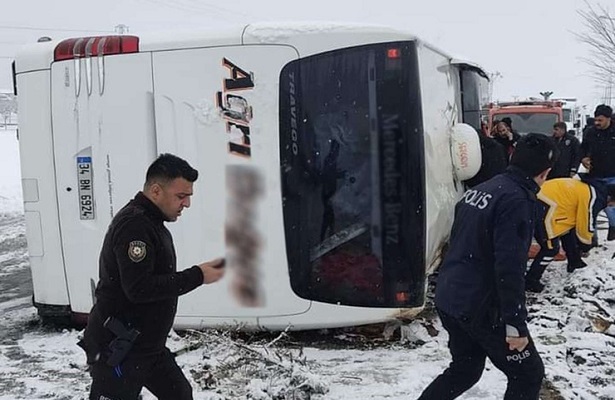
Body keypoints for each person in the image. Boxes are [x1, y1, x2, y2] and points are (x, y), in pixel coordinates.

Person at [418, 133, 557, 400]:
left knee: (466, 369)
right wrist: (515, 324)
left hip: (451, 297)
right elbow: (510, 267)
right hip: (479, 306)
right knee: (528, 374)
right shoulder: (517, 200)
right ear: (546, 172)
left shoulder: (486, 188)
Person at [78, 153, 226, 400]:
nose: (187, 203)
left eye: (189, 196)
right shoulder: (134, 226)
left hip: (146, 346)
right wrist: (198, 275)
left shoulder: (152, 223)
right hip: (119, 348)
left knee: (179, 394)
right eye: (181, 196)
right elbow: (139, 288)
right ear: (156, 191)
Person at [525, 178, 607, 293]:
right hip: (544, 208)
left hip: (540, 201)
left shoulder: (587, 187)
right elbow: (586, 221)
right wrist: (586, 243)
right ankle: (531, 280)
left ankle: (574, 261)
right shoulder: (593, 197)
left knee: (567, 231)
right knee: (550, 248)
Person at [580, 104, 615, 241]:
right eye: (595, 120)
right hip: (595, 176)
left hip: (613, 176)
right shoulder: (590, 132)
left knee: (611, 207)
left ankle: (613, 229)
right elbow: (582, 148)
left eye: (600, 120)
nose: (597, 123)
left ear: (608, 119)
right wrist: (583, 158)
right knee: (591, 208)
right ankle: (590, 238)